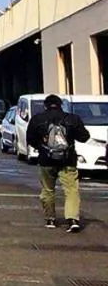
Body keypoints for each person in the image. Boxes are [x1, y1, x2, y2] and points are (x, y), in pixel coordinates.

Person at [26, 94, 90, 232]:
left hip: (46, 160)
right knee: (71, 190)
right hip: (68, 161)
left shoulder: (37, 119)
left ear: (45, 105)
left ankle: (50, 219)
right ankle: (72, 219)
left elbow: (30, 139)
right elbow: (84, 137)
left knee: (48, 190)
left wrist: (42, 147)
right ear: (61, 105)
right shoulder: (72, 119)